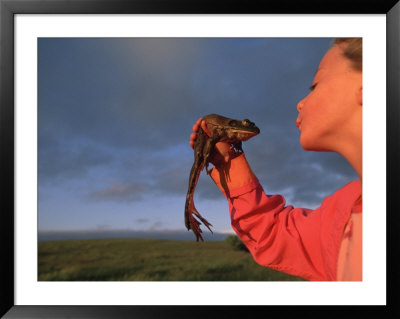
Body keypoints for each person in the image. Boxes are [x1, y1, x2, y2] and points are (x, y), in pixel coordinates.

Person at [189, 38, 362, 281]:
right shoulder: (345, 211)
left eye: (315, 85)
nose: (300, 102)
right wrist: (229, 162)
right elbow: (275, 234)